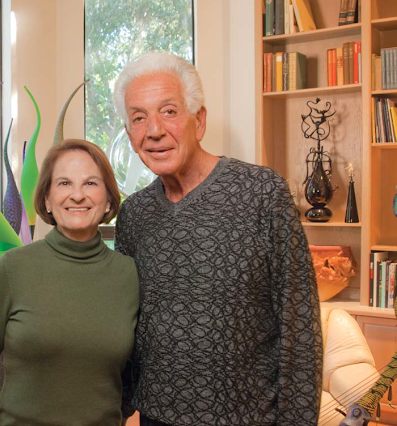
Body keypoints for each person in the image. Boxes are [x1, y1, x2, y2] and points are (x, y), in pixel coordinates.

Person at [113, 52, 323, 426]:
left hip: (248, 417)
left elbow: (300, 324)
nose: (155, 130)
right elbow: (127, 326)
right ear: (130, 135)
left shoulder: (262, 193)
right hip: (157, 417)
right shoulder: (133, 215)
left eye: (169, 111)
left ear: (200, 120)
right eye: (139, 118)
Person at [0, 139, 139, 426]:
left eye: (91, 184)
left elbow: (136, 373)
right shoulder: (13, 267)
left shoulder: (129, 275)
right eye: (64, 183)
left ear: (108, 199)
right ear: (46, 198)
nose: (77, 195)